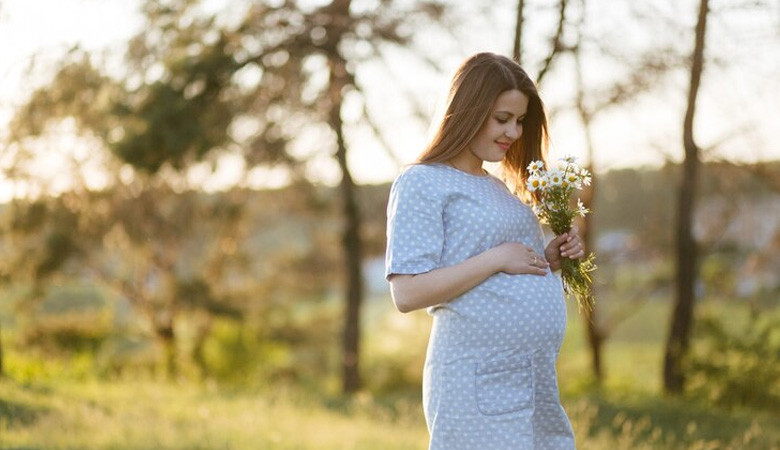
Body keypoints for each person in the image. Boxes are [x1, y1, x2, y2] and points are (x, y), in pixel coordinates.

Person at [384, 52, 585, 449]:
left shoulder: (498, 187)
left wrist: (548, 259)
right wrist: (496, 259)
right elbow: (406, 293)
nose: (513, 131)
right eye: (502, 118)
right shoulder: (422, 182)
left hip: (532, 377)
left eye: (520, 120)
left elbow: (510, 266)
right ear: (469, 111)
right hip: (476, 381)